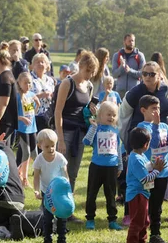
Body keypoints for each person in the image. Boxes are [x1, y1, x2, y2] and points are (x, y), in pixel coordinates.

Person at [54, 51, 98, 199]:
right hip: (65, 131)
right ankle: (51, 208)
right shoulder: (67, 83)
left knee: (73, 172)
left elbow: (85, 110)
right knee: (59, 171)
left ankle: (67, 208)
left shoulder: (89, 86)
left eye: (92, 72)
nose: (89, 75)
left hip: (80, 133)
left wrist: (92, 112)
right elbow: (58, 112)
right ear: (80, 66)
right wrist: (60, 139)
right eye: (88, 71)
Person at [136, 95, 168, 243]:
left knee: (157, 206)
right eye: (153, 109)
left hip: (163, 173)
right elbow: (153, 144)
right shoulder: (142, 127)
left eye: (158, 108)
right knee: (145, 204)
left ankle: (155, 234)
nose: (157, 111)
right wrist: (155, 125)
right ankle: (140, 235)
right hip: (148, 173)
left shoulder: (164, 127)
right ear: (143, 110)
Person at [124, 127, 165, 243]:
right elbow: (144, 179)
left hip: (143, 194)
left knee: (145, 221)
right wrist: (157, 171)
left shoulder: (140, 156)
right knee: (137, 221)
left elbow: (147, 169)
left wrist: (153, 166)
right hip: (136, 194)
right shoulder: (135, 159)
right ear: (146, 144)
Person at [82, 102, 123, 231]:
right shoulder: (96, 128)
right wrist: (93, 127)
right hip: (97, 167)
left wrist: (120, 166)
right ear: (100, 115)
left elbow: (118, 149)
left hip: (111, 167)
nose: (111, 117)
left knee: (111, 194)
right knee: (92, 193)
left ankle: (112, 219)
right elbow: (86, 142)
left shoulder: (115, 131)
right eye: (108, 114)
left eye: (114, 115)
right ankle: (90, 218)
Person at [119, 61, 168, 153]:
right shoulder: (133, 93)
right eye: (145, 74)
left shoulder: (164, 90)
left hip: (162, 139)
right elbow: (123, 119)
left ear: (159, 76)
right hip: (140, 142)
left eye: (152, 74)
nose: (148, 77)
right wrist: (127, 143)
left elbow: (167, 110)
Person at [33, 129, 69, 243]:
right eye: (47, 146)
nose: (51, 149)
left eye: (53, 145)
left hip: (59, 192)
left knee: (61, 217)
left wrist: (67, 190)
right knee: (47, 218)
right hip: (46, 192)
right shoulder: (39, 159)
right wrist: (37, 190)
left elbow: (65, 175)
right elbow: (36, 177)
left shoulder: (60, 158)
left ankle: (61, 240)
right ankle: (47, 240)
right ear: (40, 146)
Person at [16, 72, 39, 185]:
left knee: (34, 153)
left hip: (32, 128)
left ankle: (18, 171)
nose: (28, 85)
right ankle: (24, 179)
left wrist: (37, 104)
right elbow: (11, 115)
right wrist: (21, 118)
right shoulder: (17, 96)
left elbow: (33, 112)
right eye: (25, 83)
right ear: (19, 83)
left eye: (29, 82)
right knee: (26, 153)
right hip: (22, 129)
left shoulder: (31, 95)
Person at [112, 33, 145, 98]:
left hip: (134, 91)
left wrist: (130, 71)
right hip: (120, 92)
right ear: (124, 42)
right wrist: (121, 66)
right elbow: (114, 74)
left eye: (133, 41)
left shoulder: (139, 56)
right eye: (129, 41)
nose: (131, 43)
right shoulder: (117, 56)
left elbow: (143, 73)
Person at [30, 53, 55, 131]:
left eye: (42, 62)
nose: (40, 64)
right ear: (33, 65)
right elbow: (24, 97)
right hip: (34, 114)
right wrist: (40, 95)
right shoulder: (29, 79)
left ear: (47, 65)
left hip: (48, 115)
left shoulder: (50, 80)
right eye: (37, 62)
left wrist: (51, 96)